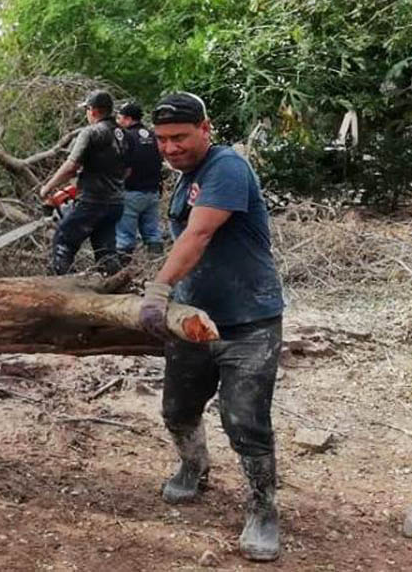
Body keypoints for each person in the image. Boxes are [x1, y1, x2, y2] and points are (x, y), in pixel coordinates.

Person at [137, 92, 286, 562]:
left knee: (245, 420)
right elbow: (183, 239)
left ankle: (264, 510)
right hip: (193, 319)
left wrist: (159, 289)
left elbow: (200, 233)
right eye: (161, 140)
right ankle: (193, 467)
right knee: (178, 409)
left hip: (248, 321)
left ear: (206, 127)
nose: (170, 148)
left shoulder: (227, 167)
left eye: (179, 137)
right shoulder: (186, 177)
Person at [38, 90, 127, 275]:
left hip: (92, 201)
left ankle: (64, 289)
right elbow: (129, 170)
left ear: (92, 110)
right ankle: (117, 287)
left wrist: (48, 188)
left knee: (63, 241)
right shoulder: (123, 134)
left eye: (86, 109)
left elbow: (71, 166)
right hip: (116, 203)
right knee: (106, 253)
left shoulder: (91, 132)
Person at [115, 102, 164, 260]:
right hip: (153, 193)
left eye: (120, 117)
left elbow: (122, 165)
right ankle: (155, 271)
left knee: (124, 238)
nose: (118, 121)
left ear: (128, 119)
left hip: (131, 193)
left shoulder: (125, 137)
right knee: (153, 235)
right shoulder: (153, 136)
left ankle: (121, 276)